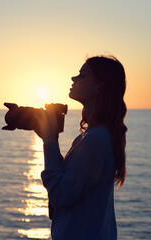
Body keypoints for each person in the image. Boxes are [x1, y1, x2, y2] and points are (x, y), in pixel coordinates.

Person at [35, 55, 127, 240]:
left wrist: (50, 141)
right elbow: (72, 184)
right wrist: (49, 139)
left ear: (100, 86)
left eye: (82, 75)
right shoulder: (98, 135)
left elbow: (60, 196)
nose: (74, 79)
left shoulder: (94, 139)